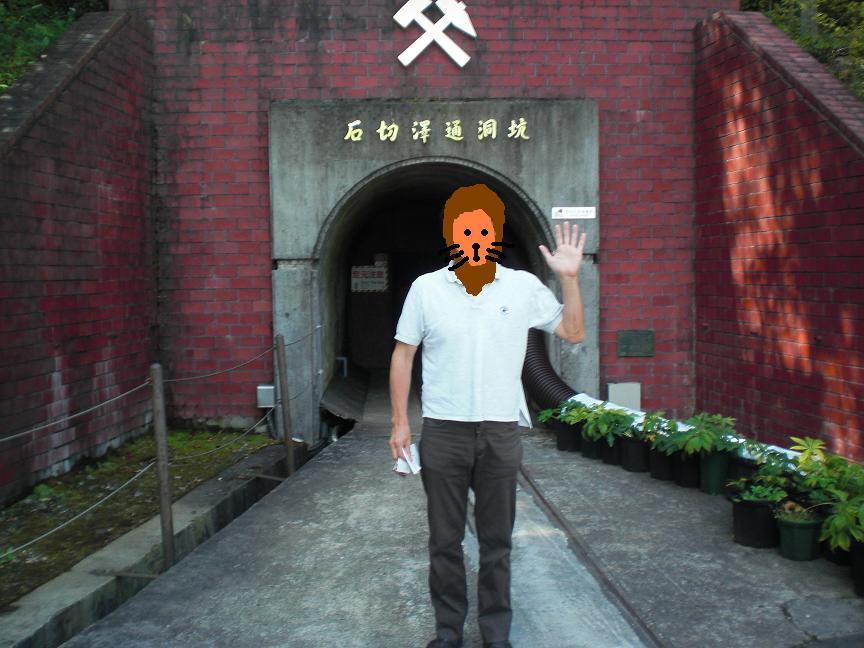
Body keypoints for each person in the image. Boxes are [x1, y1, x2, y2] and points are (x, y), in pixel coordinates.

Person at [389, 183, 586, 648]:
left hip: (500, 432)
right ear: (451, 235)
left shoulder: (522, 287)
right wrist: (400, 422)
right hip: (444, 431)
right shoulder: (427, 289)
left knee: (498, 543)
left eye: (484, 230)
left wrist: (570, 279)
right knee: (444, 542)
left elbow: (573, 331)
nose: (475, 239)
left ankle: (496, 635)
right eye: (465, 230)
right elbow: (403, 354)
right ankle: (448, 634)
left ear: (495, 234)